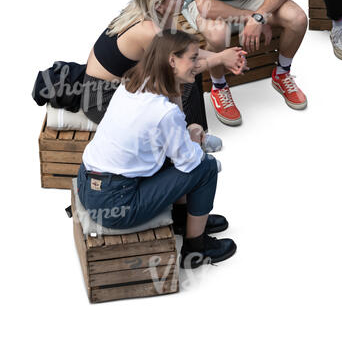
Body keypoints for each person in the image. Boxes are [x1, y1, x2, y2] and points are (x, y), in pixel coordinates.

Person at [77, 30, 236, 269]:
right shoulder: (163, 112)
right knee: (206, 167)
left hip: (88, 183)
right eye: (192, 58)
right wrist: (194, 140)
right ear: (172, 61)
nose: (198, 64)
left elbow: (171, 132)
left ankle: (184, 220)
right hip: (115, 203)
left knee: (174, 152)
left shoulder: (134, 83)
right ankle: (196, 248)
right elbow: (189, 162)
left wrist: (186, 131)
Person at [82, 0, 246, 127]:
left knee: (187, 74)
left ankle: (197, 132)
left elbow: (182, 49)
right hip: (100, 100)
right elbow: (181, 67)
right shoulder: (148, 31)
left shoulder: (152, 12)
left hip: (121, 84)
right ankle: (192, 142)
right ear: (159, 5)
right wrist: (221, 58)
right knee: (184, 79)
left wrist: (224, 55)